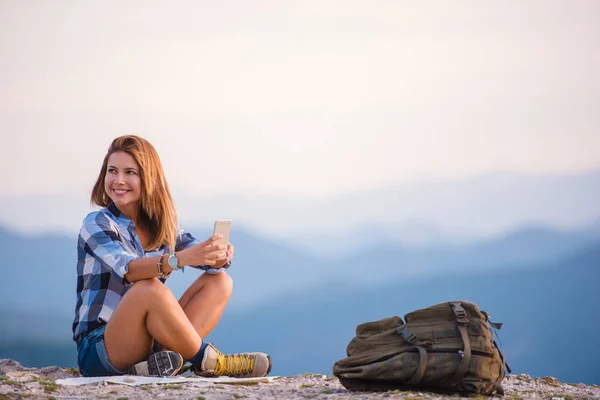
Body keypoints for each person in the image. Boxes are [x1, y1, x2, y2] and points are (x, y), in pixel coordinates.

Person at [72, 135, 272, 378]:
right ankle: (209, 361)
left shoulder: (163, 224)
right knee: (148, 288)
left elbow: (194, 249)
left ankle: (154, 365)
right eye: (112, 171)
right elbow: (130, 269)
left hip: (151, 342)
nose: (118, 180)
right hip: (100, 347)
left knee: (220, 281)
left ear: (148, 178)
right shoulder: (97, 223)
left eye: (130, 172)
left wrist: (214, 255)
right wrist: (178, 259)